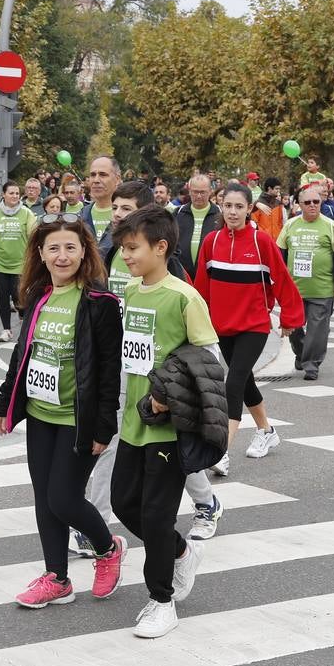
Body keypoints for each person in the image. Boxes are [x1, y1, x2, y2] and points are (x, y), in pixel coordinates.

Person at [0, 213, 126, 609]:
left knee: (63, 499)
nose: (62, 255)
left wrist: (104, 426)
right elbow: (22, 355)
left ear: (84, 251)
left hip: (77, 418)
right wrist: (5, 404)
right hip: (40, 414)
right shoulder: (38, 297)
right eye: (54, 248)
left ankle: (107, 548)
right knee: (43, 497)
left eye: (71, 247)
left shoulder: (100, 303)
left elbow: (108, 371)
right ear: (41, 253)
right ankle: (57, 578)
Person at [82, 182, 222, 544]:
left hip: (161, 382)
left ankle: (203, 504)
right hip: (123, 368)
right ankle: (97, 521)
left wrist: (173, 384)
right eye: (115, 208)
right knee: (116, 441)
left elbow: (198, 342)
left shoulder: (166, 269)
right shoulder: (112, 254)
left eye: (126, 209)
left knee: (169, 445)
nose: (117, 214)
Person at [109, 205, 218, 638]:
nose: (126, 256)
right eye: (123, 248)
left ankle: (161, 601)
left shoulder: (184, 297)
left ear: (161, 247)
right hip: (134, 421)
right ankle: (180, 551)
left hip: (168, 427)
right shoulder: (133, 292)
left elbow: (211, 359)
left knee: (155, 515)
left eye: (133, 248)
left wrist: (170, 398)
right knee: (123, 504)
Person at [195, 182, 303, 471]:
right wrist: (194, 323)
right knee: (244, 382)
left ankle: (221, 452)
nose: (232, 211)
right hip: (222, 325)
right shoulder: (212, 242)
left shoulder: (261, 242)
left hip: (254, 325)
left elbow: (282, 279)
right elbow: (201, 290)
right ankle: (266, 431)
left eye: (239, 206)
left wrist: (291, 319)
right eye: (228, 206)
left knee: (233, 382)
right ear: (221, 206)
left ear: (248, 209)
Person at [278, 184, 334, 381]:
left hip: (322, 289)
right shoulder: (290, 225)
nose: (312, 205)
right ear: (299, 204)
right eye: (307, 202)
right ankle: (300, 353)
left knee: (318, 330)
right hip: (295, 289)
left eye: (316, 202)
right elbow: (280, 256)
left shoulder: (330, 225)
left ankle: (311, 364)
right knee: (294, 327)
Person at [0, 181, 37, 342]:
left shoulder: (26, 213)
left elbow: (33, 239)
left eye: (17, 193)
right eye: (11, 193)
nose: (14, 196)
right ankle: (6, 330)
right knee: (3, 296)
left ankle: (23, 317)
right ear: (3, 195)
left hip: (20, 263)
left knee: (18, 296)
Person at [173, 173, 221, 281]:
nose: (199, 196)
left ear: (210, 191)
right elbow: (170, 241)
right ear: (189, 191)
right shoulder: (178, 213)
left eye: (203, 192)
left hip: (210, 275)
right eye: (195, 192)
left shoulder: (220, 214)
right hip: (181, 276)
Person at [81, 155, 120, 245]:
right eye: (93, 175)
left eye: (103, 175)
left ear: (117, 179)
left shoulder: (129, 216)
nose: (96, 180)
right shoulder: (81, 216)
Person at [251, 177, 287, 242]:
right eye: (276, 189)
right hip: (262, 240)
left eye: (279, 189)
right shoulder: (258, 204)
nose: (278, 191)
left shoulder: (279, 204)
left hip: (277, 241)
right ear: (269, 188)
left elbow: (280, 223)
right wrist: (263, 235)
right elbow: (254, 223)